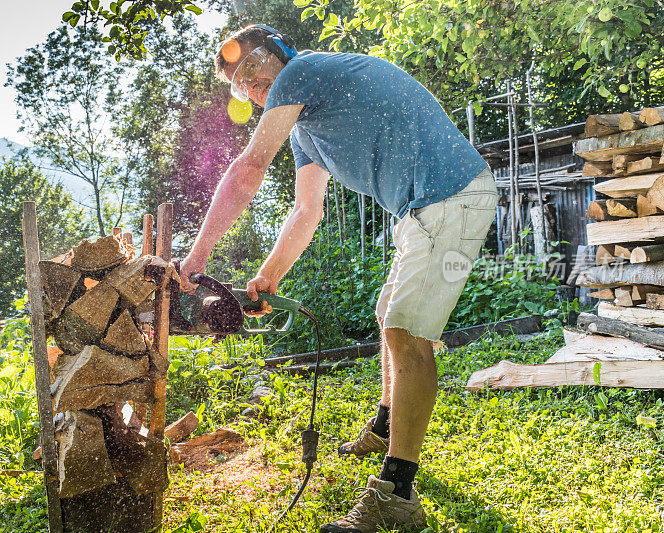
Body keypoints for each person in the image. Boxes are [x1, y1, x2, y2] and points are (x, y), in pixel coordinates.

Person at [178, 24, 497, 532]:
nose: (256, 85)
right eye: (243, 85)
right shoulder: (306, 131)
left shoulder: (302, 72)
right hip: (419, 209)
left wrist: (197, 256)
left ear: (279, 52)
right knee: (387, 314)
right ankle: (385, 426)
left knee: (406, 331)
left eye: (256, 68)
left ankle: (396, 494)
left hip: (451, 195)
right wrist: (269, 274)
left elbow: (248, 168)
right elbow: (307, 210)